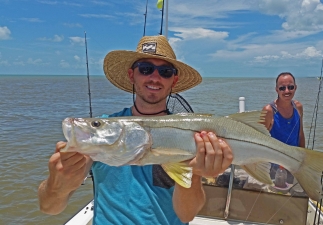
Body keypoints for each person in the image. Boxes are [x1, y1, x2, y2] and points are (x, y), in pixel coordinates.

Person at [38, 35, 234, 224]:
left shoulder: (191, 136)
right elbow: (50, 208)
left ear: (173, 81)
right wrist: (57, 183)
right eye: (146, 69)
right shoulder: (103, 132)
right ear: (132, 75)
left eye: (165, 72)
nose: (155, 77)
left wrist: (197, 171)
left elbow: (186, 215)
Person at [261, 72, 305, 183]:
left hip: (293, 163)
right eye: (282, 88)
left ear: (295, 88)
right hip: (273, 167)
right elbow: (259, 140)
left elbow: (300, 134)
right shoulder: (269, 110)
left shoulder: (298, 107)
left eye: (290, 87)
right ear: (276, 90)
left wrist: (303, 159)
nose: (287, 91)